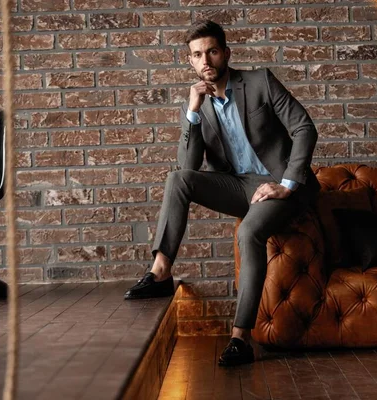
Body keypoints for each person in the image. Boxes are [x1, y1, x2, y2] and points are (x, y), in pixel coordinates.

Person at [124, 20, 321, 366]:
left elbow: (304, 128)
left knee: (248, 232)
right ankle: (161, 271)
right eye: (197, 55)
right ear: (190, 61)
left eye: (212, 51)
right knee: (177, 179)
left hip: (279, 186)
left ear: (226, 53)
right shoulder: (199, 104)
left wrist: (286, 184)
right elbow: (188, 165)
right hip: (238, 186)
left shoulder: (260, 82)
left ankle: (240, 338)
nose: (206, 61)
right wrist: (192, 112)